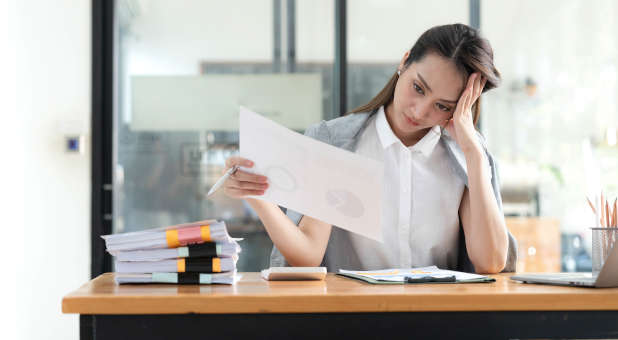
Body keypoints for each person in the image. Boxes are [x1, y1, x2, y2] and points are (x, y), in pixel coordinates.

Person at [223, 23, 517, 273]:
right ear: (404, 63)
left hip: (441, 321)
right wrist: (257, 196)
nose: (420, 111)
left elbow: (489, 262)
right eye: (418, 88)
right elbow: (307, 255)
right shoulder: (337, 143)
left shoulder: (461, 159)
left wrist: (476, 156)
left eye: (442, 106)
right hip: (355, 320)